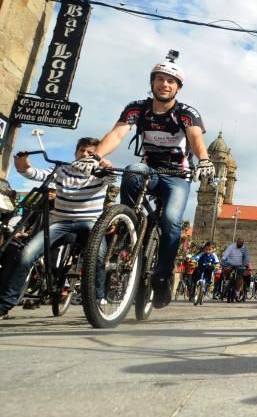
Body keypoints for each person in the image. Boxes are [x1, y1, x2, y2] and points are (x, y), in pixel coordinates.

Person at [71, 52, 215, 308]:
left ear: (178, 88)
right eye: (160, 79)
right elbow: (117, 134)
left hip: (177, 175)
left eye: (171, 81)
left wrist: (204, 160)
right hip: (149, 168)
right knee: (133, 169)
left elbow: (196, 139)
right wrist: (95, 156)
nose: (165, 84)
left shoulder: (186, 113)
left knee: (171, 219)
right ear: (152, 82)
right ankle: (130, 222)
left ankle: (162, 274)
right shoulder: (137, 108)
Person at [0, 138, 113, 319]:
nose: (84, 155)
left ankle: (98, 298)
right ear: (75, 152)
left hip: (90, 222)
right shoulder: (62, 170)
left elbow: (111, 176)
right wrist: (22, 165)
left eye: (90, 153)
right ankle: (5, 304)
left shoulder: (100, 172)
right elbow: (34, 173)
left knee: (99, 256)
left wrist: (105, 165)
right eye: (81, 151)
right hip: (60, 222)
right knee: (26, 254)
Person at [221, 237, 251, 302]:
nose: (240, 245)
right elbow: (225, 255)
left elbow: (247, 257)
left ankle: (237, 291)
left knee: (240, 277)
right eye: (239, 243)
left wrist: (246, 265)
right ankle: (227, 280)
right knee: (227, 269)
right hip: (230, 263)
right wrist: (223, 261)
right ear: (236, 242)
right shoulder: (231, 247)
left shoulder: (245, 248)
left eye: (242, 244)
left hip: (240, 265)